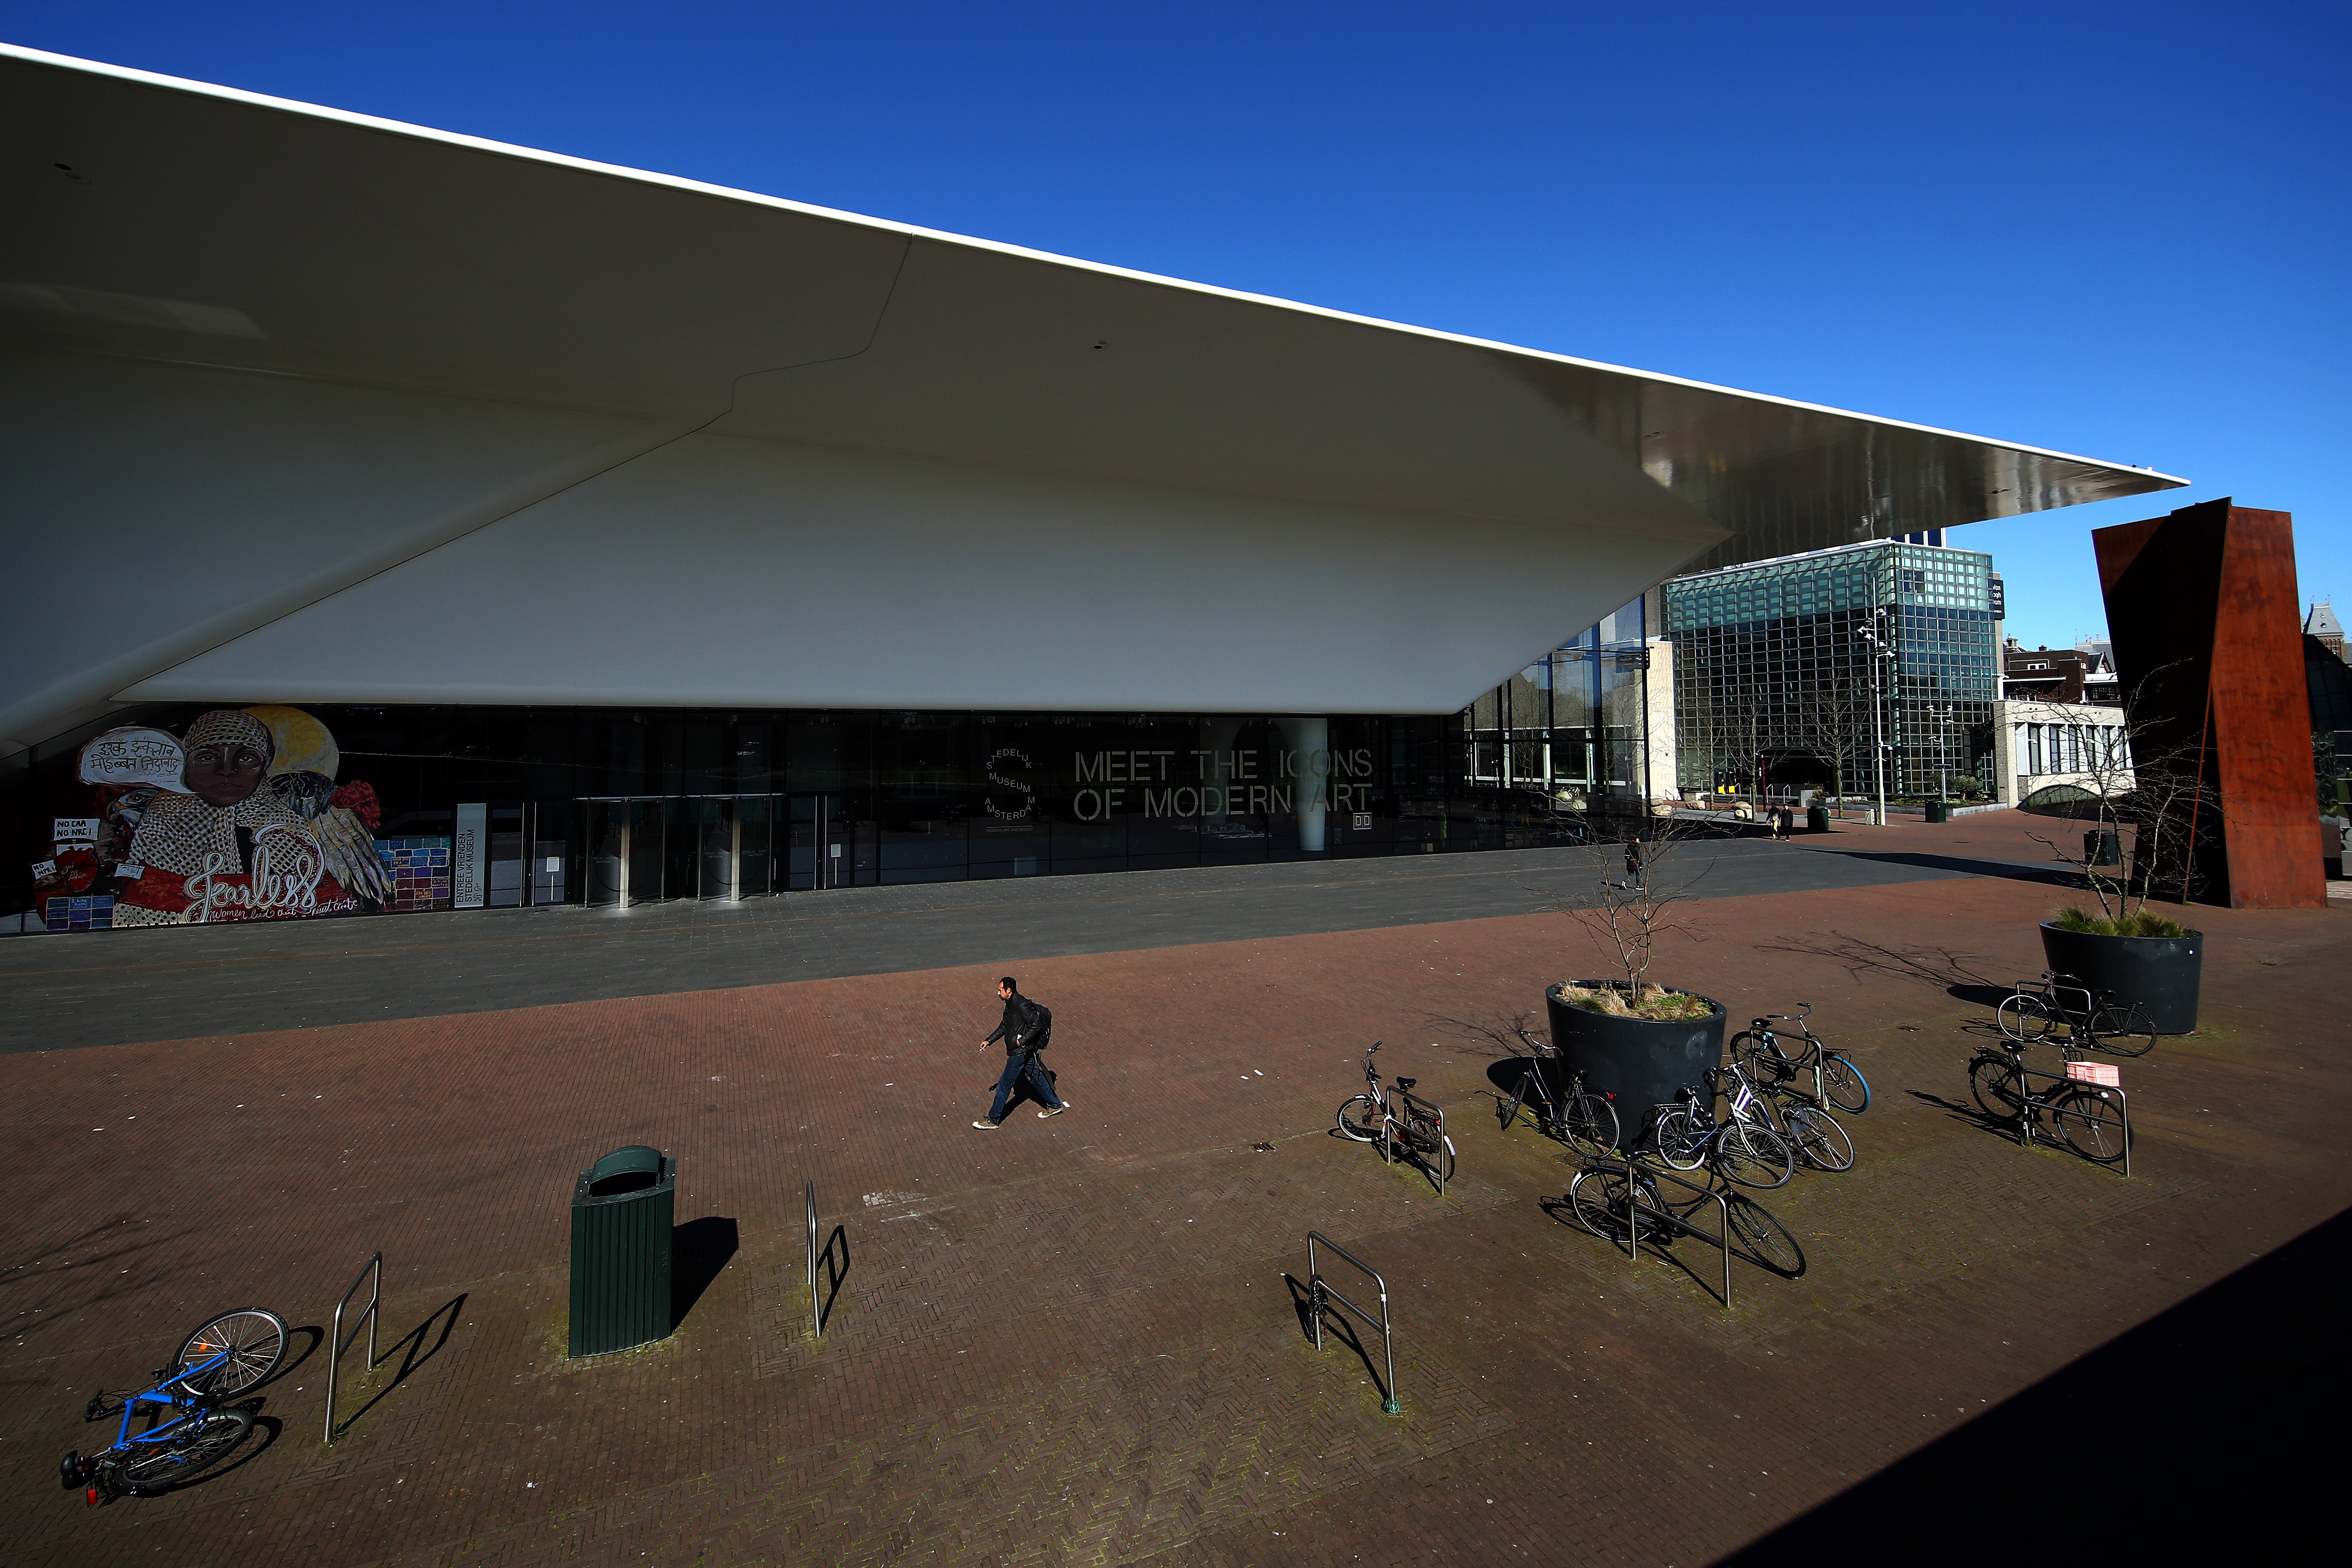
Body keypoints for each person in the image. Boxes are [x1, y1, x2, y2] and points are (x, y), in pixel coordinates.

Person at [974, 975, 1067, 1128]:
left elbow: (1036, 1025)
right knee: (1036, 1077)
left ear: (1008, 991)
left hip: (1019, 1052)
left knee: (1004, 1086)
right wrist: (989, 1041)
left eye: (1000, 990)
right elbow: (1005, 1025)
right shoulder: (1010, 1004)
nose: (998, 993)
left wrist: (1021, 1041)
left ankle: (993, 1120)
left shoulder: (1021, 1005)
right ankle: (1055, 1105)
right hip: (1024, 1051)